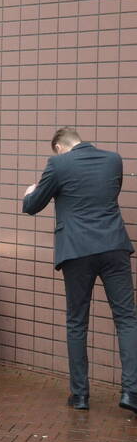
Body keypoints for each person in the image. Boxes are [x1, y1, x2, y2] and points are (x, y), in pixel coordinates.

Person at [22, 127, 137, 414]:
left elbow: (33, 206)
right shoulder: (114, 160)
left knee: (76, 322)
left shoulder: (58, 164)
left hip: (76, 251)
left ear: (59, 147)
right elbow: (108, 193)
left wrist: (30, 193)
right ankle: (131, 393)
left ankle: (81, 395)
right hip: (114, 245)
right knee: (126, 319)